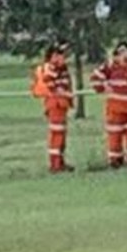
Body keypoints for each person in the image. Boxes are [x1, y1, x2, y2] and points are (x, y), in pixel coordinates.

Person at [90, 42, 127, 167]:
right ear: (117, 54)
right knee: (115, 135)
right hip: (116, 108)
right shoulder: (109, 67)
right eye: (124, 52)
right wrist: (103, 87)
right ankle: (115, 160)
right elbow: (94, 79)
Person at [32, 42, 76, 173]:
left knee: (61, 135)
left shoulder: (62, 69)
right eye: (61, 55)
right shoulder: (50, 68)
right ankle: (55, 165)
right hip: (55, 104)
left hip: (61, 105)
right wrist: (63, 92)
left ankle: (60, 162)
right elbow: (52, 86)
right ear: (54, 56)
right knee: (56, 135)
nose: (65, 58)